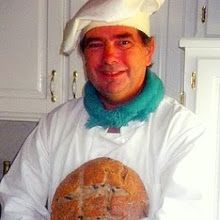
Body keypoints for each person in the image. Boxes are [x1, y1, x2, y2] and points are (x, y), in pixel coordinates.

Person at [0, 0, 206, 219]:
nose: (109, 58)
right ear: (84, 57)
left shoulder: (182, 131)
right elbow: (19, 202)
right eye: (96, 45)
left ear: (149, 51)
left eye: (124, 42)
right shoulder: (55, 125)